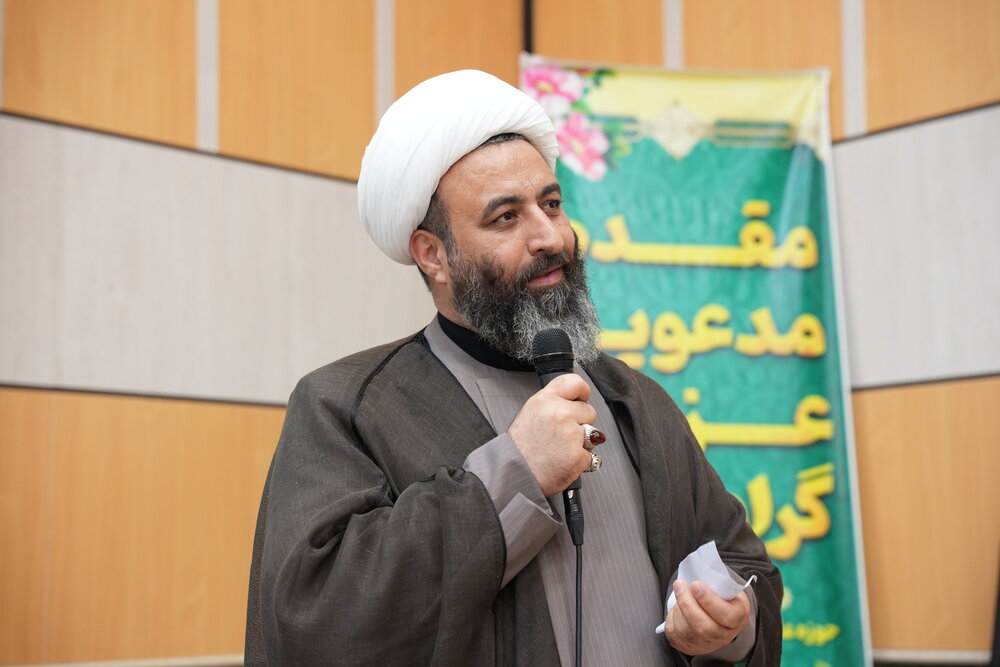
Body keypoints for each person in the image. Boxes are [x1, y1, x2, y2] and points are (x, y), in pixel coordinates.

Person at [245, 70, 782, 666]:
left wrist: (731, 627)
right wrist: (516, 472)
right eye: (506, 217)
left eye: (551, 205)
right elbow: (317, 617)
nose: (549, 236)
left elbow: (744, 566)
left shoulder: (635, 400)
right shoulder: (349, 406)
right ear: (433, 255)